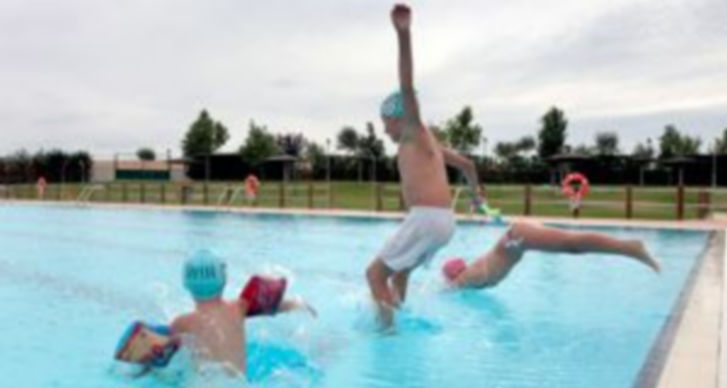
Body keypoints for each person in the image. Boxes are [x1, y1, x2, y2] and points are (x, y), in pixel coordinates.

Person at [366, 3, 485, 328]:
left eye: (385, 122)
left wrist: (403, 34)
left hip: (427, 218)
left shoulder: (412, 130)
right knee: (400, 273)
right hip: (444, 222)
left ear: (399, 117)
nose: (384, 130)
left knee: (374, 275)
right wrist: (476, 198)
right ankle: (399, 314)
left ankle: (387, 335)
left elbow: (406, 86)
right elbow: (468, 165)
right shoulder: (429, 143)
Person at [115, 250, 316, 378]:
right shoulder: (239, 308)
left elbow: (160, 356)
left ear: (187, 285)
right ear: (223, 279)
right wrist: (297, 304)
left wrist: (142, 371)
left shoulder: (182, 323)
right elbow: (271, 306)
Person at [442, 220, 660, 290]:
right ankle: (629, 248)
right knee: (571, 246)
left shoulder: (469, 276)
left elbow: (450, 287)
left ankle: (631, 247)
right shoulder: (475, 275)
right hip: (517, 238)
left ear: (456, 274)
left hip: (517, 237)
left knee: (571, 244)